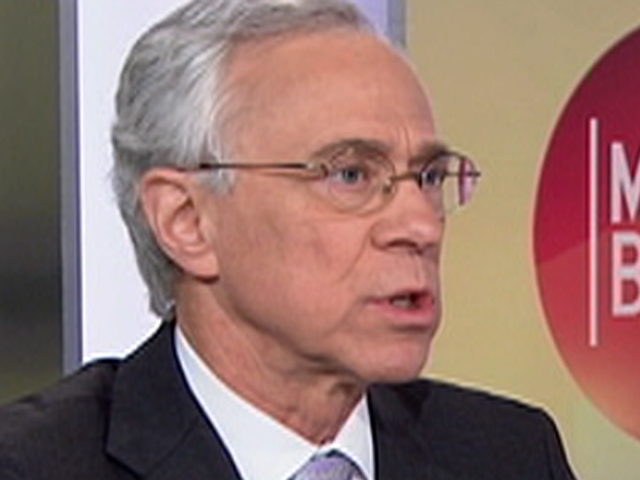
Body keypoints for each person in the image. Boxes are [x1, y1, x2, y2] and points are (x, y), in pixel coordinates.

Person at [0, 0, 578, 479]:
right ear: (186, 220)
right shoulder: (35, 465)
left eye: (427, 177)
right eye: (350, 174)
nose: (421, 226)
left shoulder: (510, 454)